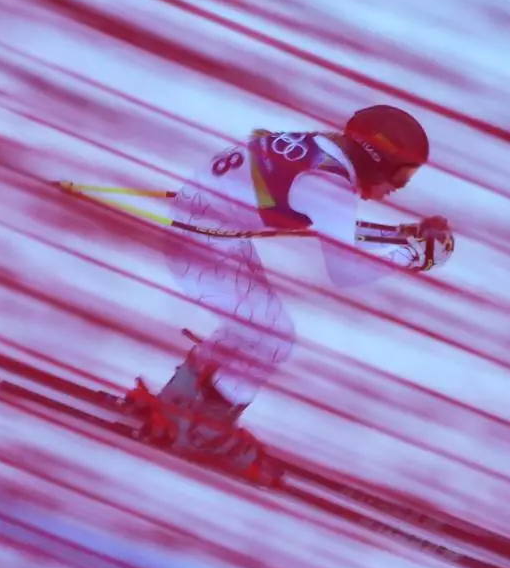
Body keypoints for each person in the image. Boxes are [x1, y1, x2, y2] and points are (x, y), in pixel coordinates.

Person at [124, 105, 455, 485]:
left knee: (252, 331)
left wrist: (403, 236)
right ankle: (204, 432)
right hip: (203, 245)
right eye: (401, 173)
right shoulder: (328, 185)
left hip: (207, 233)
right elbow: (345, 270)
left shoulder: (322, 155)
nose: (398, 186)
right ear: (375, 158)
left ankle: (176, 410)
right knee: (270, 337)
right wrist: (415, 254)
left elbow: (333, 228)